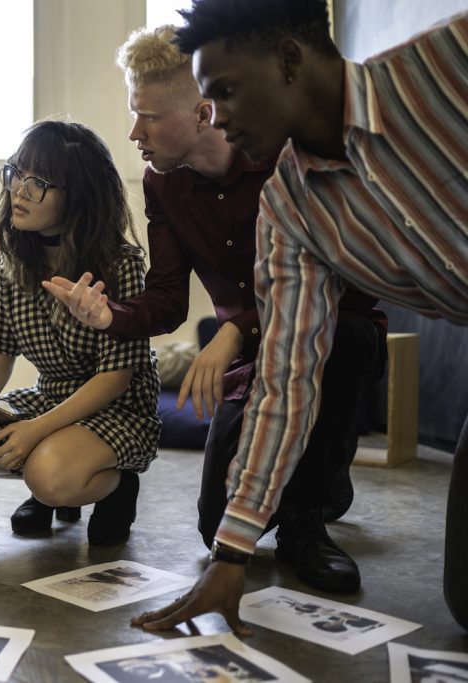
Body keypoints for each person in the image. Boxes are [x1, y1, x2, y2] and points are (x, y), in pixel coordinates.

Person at [129, 0, 468, 633]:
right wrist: (230, 555)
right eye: (208, 98)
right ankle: (310, 495)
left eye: (225, 93)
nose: (217, 117)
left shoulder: (447, 62)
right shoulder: (288, 207)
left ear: (288, 61)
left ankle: (312, 508)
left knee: (347, 339)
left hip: (354, 335)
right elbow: (286, 376)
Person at [44, 25, 385, 593]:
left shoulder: (285, 159)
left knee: (348, 337)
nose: (134, 132)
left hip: (328, 330)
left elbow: (341, 284)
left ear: (203, 114)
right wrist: (110, 318)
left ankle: (308, 523)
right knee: (216, 527)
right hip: (248, 354)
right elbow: (169, 299)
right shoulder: (162, 184)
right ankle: (318, 481)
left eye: (148, 116)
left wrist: (234, 331)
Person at [0, 120, 162, 546]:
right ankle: (52, 481)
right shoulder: (12, 260)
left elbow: (115, 378)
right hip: (52, 396)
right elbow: (0, 343)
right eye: (16, 174)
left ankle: (116, 486)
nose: (19, 192)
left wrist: (37, 429)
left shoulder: (121, 264)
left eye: (38, 182)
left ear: (77, 195)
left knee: (48, 472)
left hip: (117, 408)